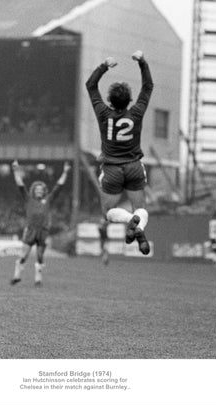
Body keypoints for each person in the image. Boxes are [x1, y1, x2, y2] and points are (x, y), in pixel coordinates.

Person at [85, 50, 154, 255]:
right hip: (134, 166)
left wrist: (105, 65)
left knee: (107, 212)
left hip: (112, 168)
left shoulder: (104, 113)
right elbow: (148, 86)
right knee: (140, 207)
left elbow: (90, 85)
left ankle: (127, 220)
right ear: (129, 100)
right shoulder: (137, 112)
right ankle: (139, 228)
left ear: (110, 100)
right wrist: (142, 62)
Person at [10, 160, 70, 286]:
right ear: (33, 191)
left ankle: (38, 280)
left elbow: (59, 186)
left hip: (43, 230)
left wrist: (65, 172)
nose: (38, 191)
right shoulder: (28, 199)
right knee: (24, 254)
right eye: (36, 189)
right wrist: (16, 170)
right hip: (31, 230)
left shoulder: (48, 200)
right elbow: (20, 185)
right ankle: (16, 276)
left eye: (41, 189)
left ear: (44, 191)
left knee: (40, 256)